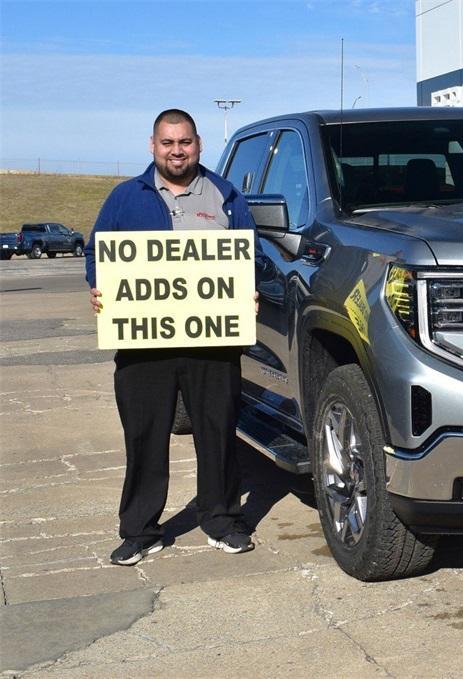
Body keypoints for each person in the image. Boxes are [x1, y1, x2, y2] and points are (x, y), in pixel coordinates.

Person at [86, 109, 257, 566]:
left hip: (212, 343)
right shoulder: (126, 198)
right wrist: (100, 287)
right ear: (152, 145)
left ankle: (222, 519)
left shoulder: (225, 195)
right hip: (144, 345)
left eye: (184, 143)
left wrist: (248, 290)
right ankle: (141, 530)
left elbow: (249, 253)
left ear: (198, 145)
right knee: (144, 436)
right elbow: (96, 253)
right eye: (167, 143)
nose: (176, 151)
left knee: (218, 433)